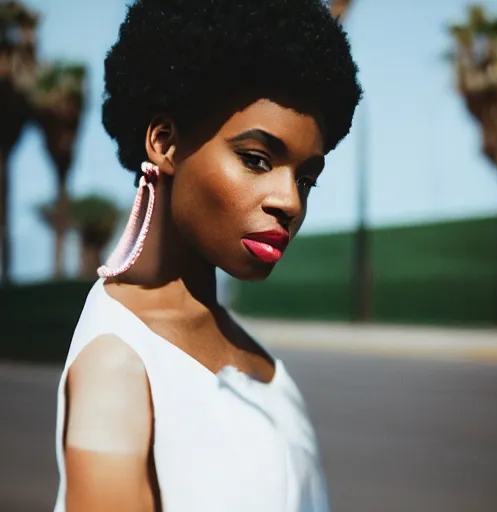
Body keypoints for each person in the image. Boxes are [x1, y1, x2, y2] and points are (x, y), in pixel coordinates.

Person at [53, 0, 361, 510]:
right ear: (164, 143)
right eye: (257, 159)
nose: (289, 201)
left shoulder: (257, 357)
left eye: (305, 178)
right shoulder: (118, 365)